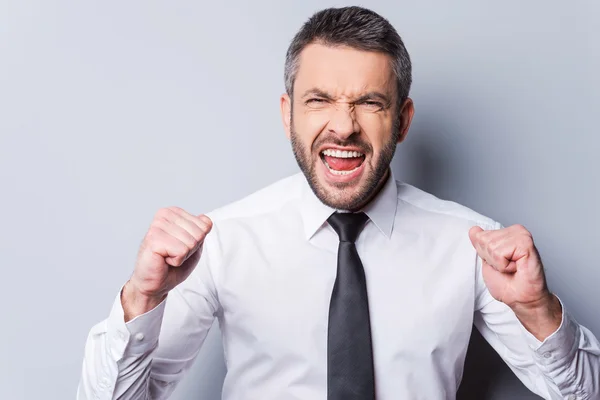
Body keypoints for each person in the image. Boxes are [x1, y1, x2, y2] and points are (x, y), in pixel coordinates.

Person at [77, 6, 599, 400]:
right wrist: (140, 301)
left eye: (369, 102)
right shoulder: (222, 240)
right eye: (319, 100)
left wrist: (537, 310)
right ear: (288, 114)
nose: (344, 125)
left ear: (403, 119)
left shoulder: (474, 246)